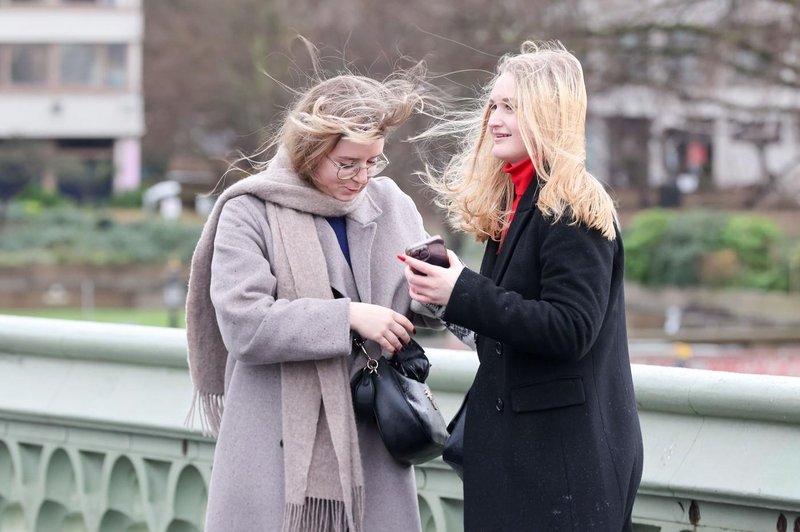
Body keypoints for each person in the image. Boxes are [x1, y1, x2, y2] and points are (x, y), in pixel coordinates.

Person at [401, 41, 644, 531]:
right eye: (494, 104)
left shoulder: (572, 204)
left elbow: (572, 328)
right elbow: (509, 327)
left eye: (511, 107)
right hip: (526, 465)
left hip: (561, 473)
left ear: (548, 114)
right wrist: (449, 293)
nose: (494, 118)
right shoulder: (522, 197)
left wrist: (461, 291)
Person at [185, 66, 440, 532]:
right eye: (347, 163)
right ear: (309, 150)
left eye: (373, 161)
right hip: (273, 444)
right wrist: (349, 316)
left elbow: (419, 306)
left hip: (371, 441)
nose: (362, 176)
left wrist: (442, 292)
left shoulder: (392, 202)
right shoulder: (249, 210)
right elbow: (245, 325)